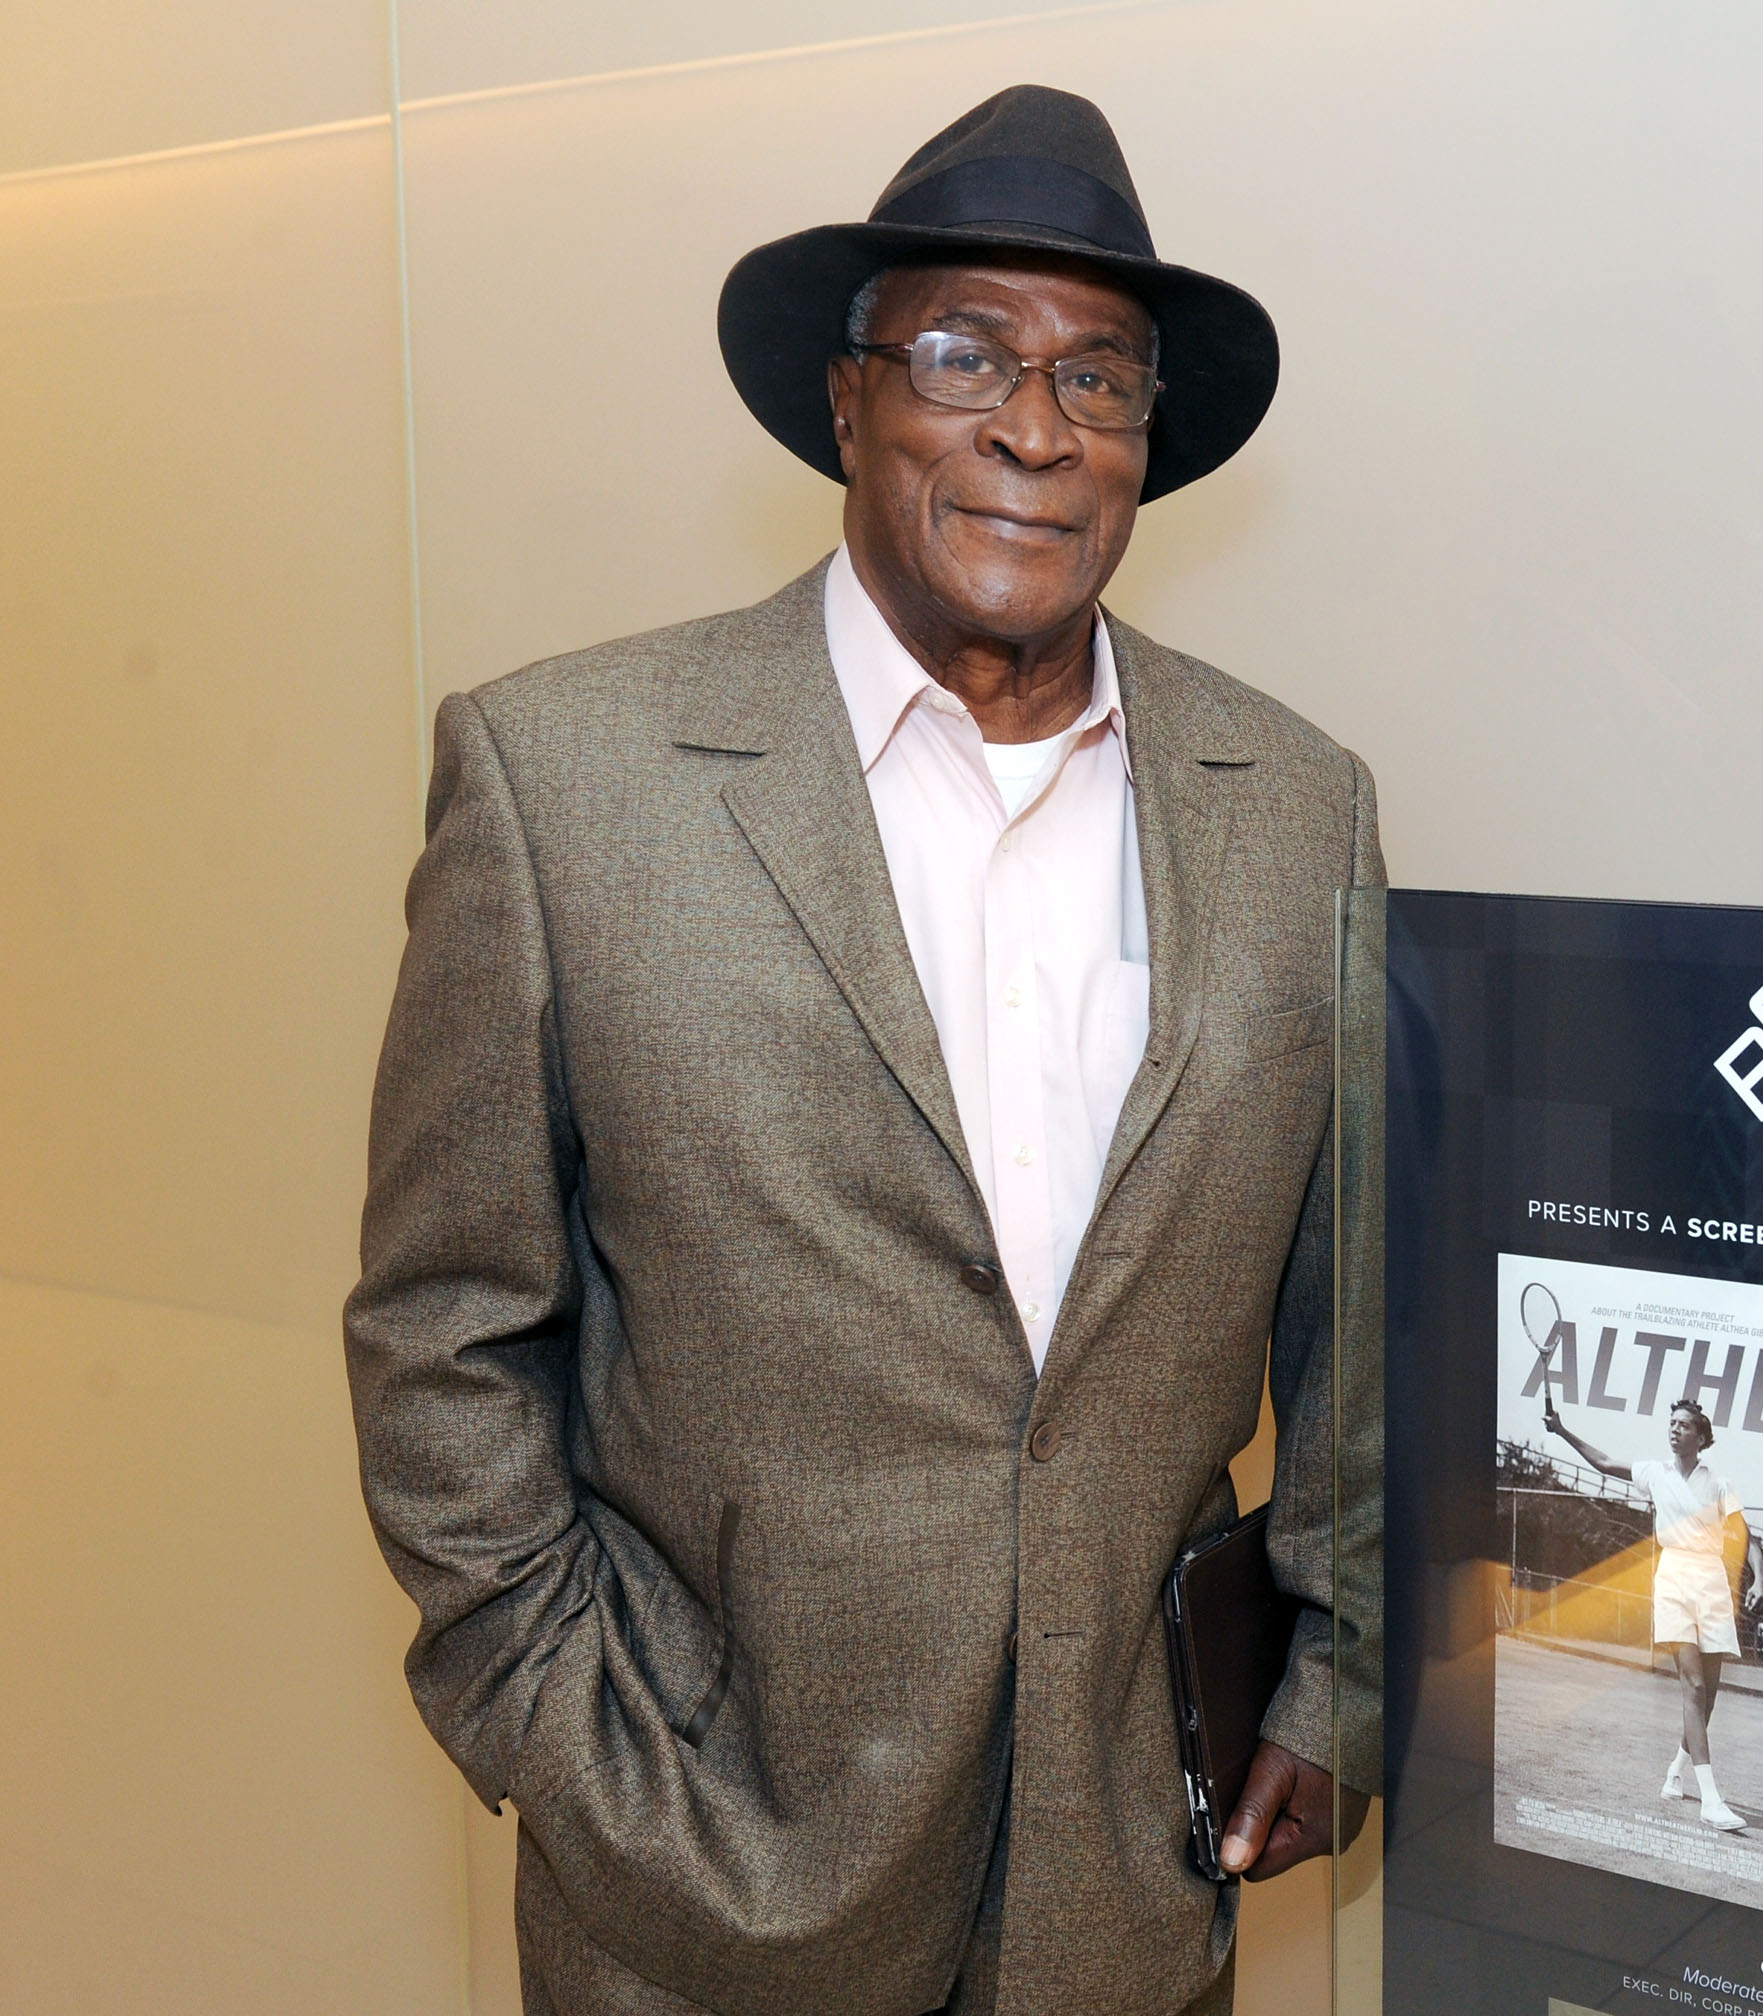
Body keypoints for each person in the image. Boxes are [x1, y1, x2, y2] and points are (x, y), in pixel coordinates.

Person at [343, 85, 1377, 2016]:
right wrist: (562, 1735)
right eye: (964, 352)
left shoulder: (1301, 806)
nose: (1032, 426)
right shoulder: (563, 779)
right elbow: (441, 1329)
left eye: (1101, 378)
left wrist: (1336, 1669)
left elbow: (1352, 1310)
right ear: (847, 400)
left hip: (1127, 1892)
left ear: (1146, 447)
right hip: (700, 1881)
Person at [1543, 1396, 1763, 1834]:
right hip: (1673, 1578)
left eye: (1684, 1425)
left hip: (1713, 1584)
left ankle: (1677, 1769)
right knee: (1693, 1683)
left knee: (1709, 1695)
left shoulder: (1720, 1484)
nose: (1675, 1429)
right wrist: (1562, 1430)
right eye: (1672, 1423)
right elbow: (1605, 1463)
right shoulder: (1655, 1472)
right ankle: (1711, 1799)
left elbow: (1747, 1538)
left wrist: (1759, 1580)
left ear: (1701, 1438)